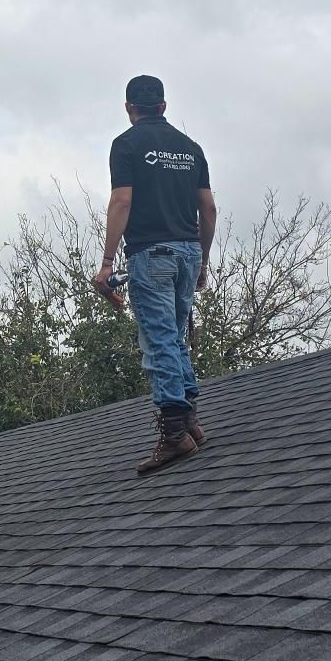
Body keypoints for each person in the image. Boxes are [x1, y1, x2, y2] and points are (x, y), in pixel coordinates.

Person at [94, 74, 217, 475]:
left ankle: (174, 435)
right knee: (176, 338)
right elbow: (209, 209)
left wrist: (108, 262)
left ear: (129, 108)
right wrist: (202, 259)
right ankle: (192, 423)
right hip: (187, 252)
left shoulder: (126, 145)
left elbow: (122, 200)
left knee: (159, 341)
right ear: (164, 106)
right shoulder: (191, 148)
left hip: (152, 253)